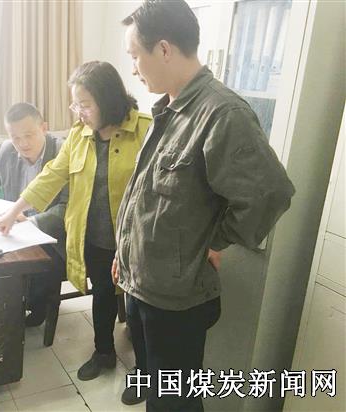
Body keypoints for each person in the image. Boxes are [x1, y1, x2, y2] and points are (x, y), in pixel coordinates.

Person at [112, 1, 296, 411]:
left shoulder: (222, 114)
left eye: (135, 56)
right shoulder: (169, 109)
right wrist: (124, 255)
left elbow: (269, 193)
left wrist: (216, 241)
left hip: (175, 299)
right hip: (143, 284)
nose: (133, 69)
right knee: (156, 388)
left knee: (174, 401)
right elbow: (148, 198)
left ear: (163, 49)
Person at [0, 61, 152, 385]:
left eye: (84, 104)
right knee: (102, 296)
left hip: (135, 242)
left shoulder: (145, 131)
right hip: (94, 238)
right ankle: (103, 353)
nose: (78, 112)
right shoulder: (80, 135)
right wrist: (13, 212)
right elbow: (51, 176)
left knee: (137, 309)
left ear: (106, 99)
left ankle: (145, 374)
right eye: (75, 104)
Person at [0, 102, 67, 327]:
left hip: (51, 233)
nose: (22, 144)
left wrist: (31, 221)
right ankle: (4, 305)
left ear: (44, 128)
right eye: (15, 138)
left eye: (29, 135)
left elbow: (68, 207)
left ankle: (35, 308)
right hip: (14, 228)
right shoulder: (6, 150)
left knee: (37, 264)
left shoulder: (62, 153)